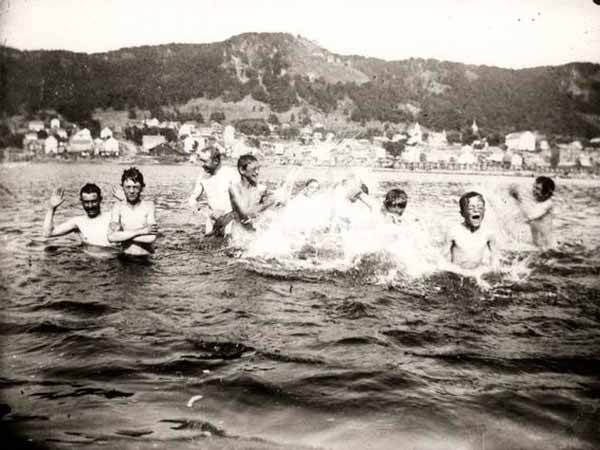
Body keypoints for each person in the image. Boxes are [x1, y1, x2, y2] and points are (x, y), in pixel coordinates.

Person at [228, 154, 284, 241]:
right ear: (242, 170)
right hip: (239, 234)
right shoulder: (234, 188)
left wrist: (279, 200)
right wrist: (269, 203)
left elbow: (278, 205)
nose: (257, 172)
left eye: (258, 169)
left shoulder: (262, 189)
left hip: (254, 231)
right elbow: (245, 212)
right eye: (254, 169)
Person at [42, 183, 116, 250]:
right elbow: (47, 233)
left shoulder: (111, 217)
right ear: (81, 202)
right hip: (89, 262)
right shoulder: (78, 222)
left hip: (112, 261)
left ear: (100, 200)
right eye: (86, 202)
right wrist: (51, 208)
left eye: (94, 201)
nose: (90, 206)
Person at [188, 147, 239, 237]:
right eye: (201, 161)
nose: (202, 165)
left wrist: (228, 215)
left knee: (229, 242)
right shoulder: (202, 177)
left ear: (215, 161)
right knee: (207, 246)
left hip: (230, 218)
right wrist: (201, 210)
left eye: (205, 161)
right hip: (212, 219)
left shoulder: (231, 174)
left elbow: (242, 200)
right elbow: (192, 199)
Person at [108, 167, 158, 256]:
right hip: (125, 258)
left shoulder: (148, 206)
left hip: (145, 258)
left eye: (135, 187)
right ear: (122, 187)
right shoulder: (118, 207)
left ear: (142, 188)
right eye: (128, 187)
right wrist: (142, 232)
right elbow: (111, 237)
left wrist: (122, 236)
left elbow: (151, 237)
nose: (131, 191)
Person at [444, 191, 497, 271]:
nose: (476, 210)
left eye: (480, 207)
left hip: (476, 275)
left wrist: (493, 271)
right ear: (462, 213)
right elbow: (442, 260)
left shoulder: (489, 234)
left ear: (484, 211)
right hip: (457, 274)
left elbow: (495, 259)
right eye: (470, 208)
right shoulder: (453, 232)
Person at [509, 176, 555, 249]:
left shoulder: (548, 204)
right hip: (538, 247)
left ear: (546, 193)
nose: (534, 190)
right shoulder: (536, 202)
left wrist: (520, 200)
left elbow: (531, 216)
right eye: (534, 187)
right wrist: (516, 197)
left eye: (538, 189)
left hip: (548, 248)